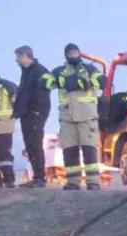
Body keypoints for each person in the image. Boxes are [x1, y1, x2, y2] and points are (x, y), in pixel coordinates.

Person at [43, 43, 104, 190]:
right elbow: (44, 82)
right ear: (66, 55)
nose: (72, 55)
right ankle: (73, 182)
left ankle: (93, 181)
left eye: (75, 52)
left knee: (89, 149)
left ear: (79, 53)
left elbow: (103, 82)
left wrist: (82, 83)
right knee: (69, 150)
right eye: (70, 53)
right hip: (67, 118)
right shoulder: (59, 71)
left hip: (87, 116)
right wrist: (61, 81)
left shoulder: (89, 69)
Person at [13, 45, 50, 188]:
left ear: (24, 56)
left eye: (18, 57)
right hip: (26, 114)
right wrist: (17, 112)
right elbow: (23, 93)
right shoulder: (26, 72)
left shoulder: (40, 71)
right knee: (29, 146)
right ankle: (36, 177)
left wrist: (35, 110)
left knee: (35, 145)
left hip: (35, 113)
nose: (16, 61)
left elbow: (41, 94)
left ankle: (40, 178)